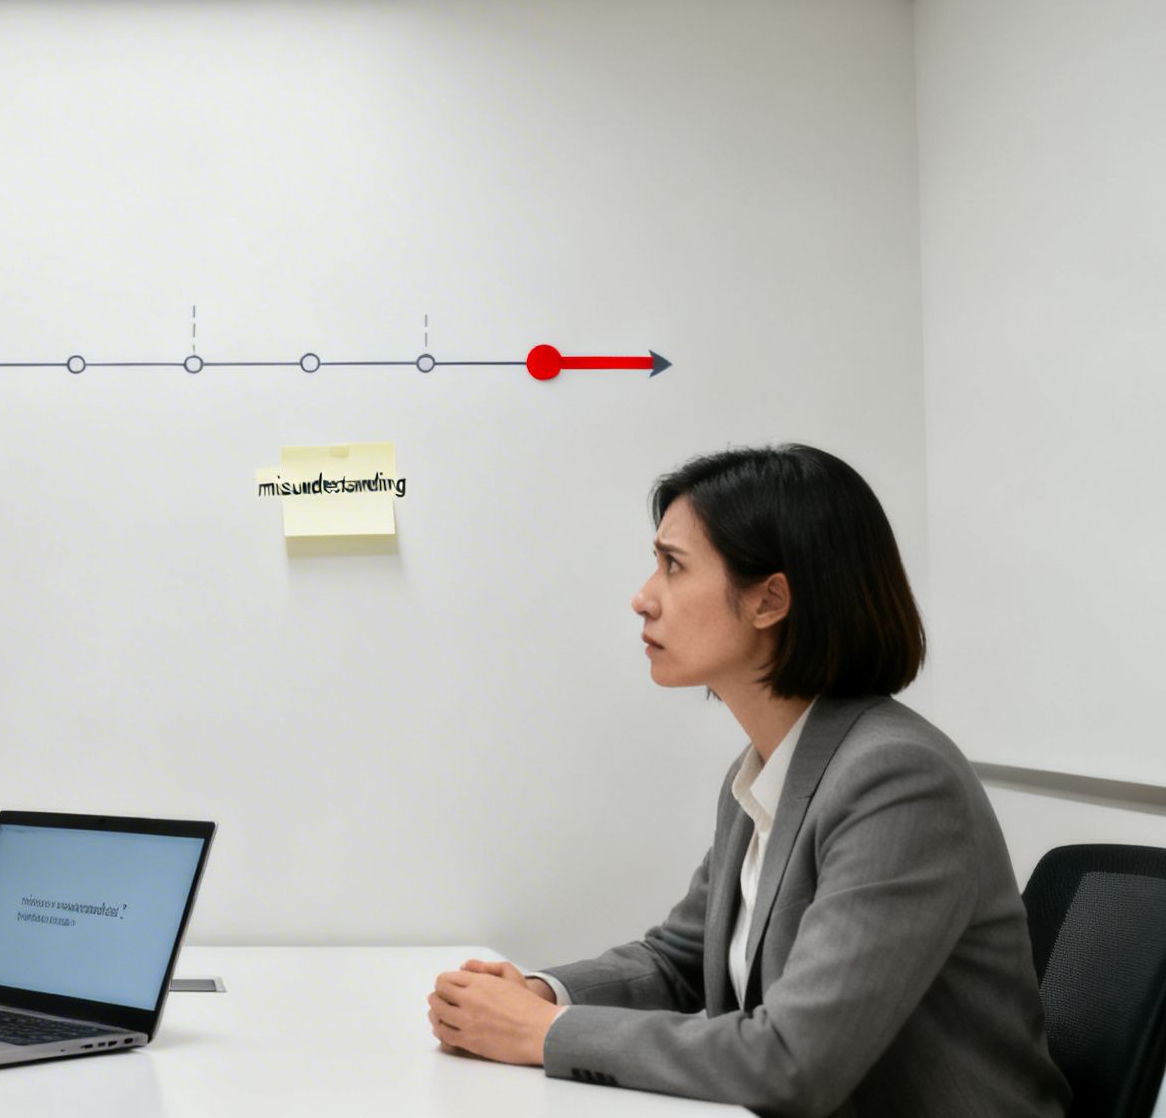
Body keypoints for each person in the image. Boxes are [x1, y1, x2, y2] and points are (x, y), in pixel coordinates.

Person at [425, 444, 1069, 1117]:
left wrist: (544, 1035)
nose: (643, 598)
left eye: (673, 566)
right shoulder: (770, 766)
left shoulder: (898, 780)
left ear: (770, 600)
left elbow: (793, 1061)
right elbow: (678, 961)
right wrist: (540, 994)